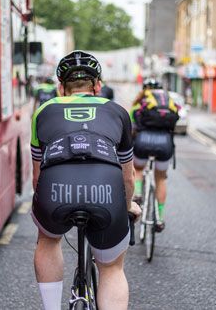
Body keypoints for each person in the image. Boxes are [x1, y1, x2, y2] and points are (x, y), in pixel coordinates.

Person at [31, 50, 141, 310]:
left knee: (47, 239)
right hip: (106, 191)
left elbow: (37, 176)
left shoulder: (43, 112)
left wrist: (46, 209)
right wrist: (126, 207)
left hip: (56, 190)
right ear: (98, 86)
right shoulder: (118, 112)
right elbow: (128, 176)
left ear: (61, 88)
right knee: (112, 267)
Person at [130, 78, 179, 232]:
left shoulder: (139, 104)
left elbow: (131, 127)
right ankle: (159, 218)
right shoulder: (169, 103)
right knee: (160, 178)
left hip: (143, 141)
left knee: (138, 169)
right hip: (164, 144)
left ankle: (137, 194)